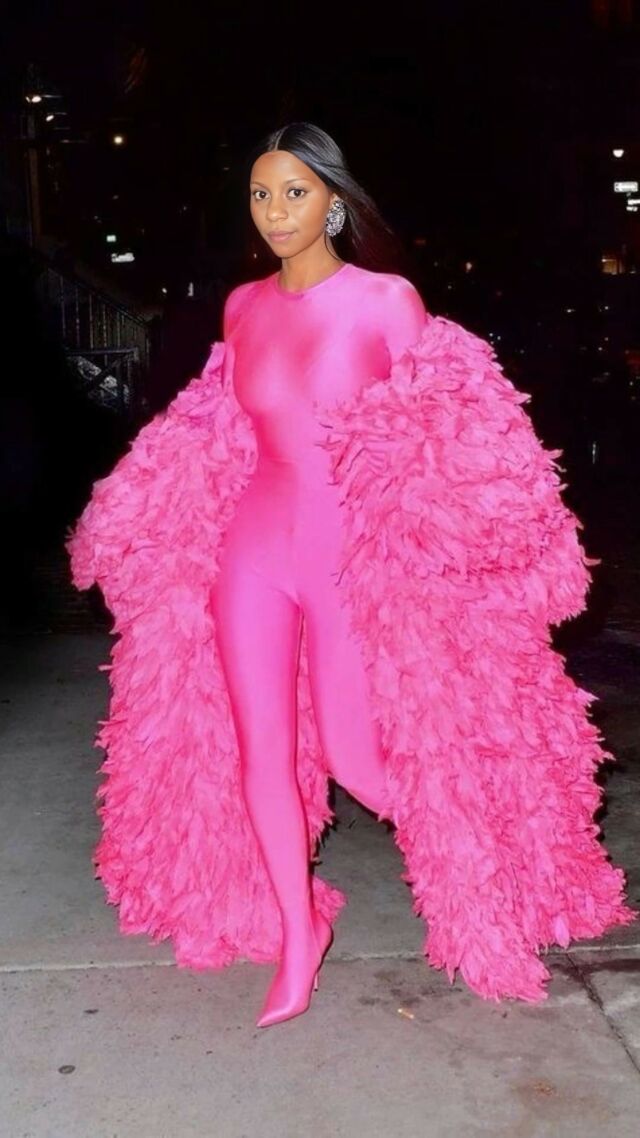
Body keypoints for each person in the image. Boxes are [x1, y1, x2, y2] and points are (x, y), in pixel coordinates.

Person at [66, 122, 635, 1030]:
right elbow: (212, 429)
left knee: (354, 752)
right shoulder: (243, 307)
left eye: (294, 192)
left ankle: (491, 860)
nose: (275, 211)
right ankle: (299, 937)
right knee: (258, 753)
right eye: (261, 194)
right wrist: (135, 506)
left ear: (334, 200)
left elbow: (454, 429)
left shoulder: (386, 301)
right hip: (252, 552)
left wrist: (487, 534)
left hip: (345, 558)